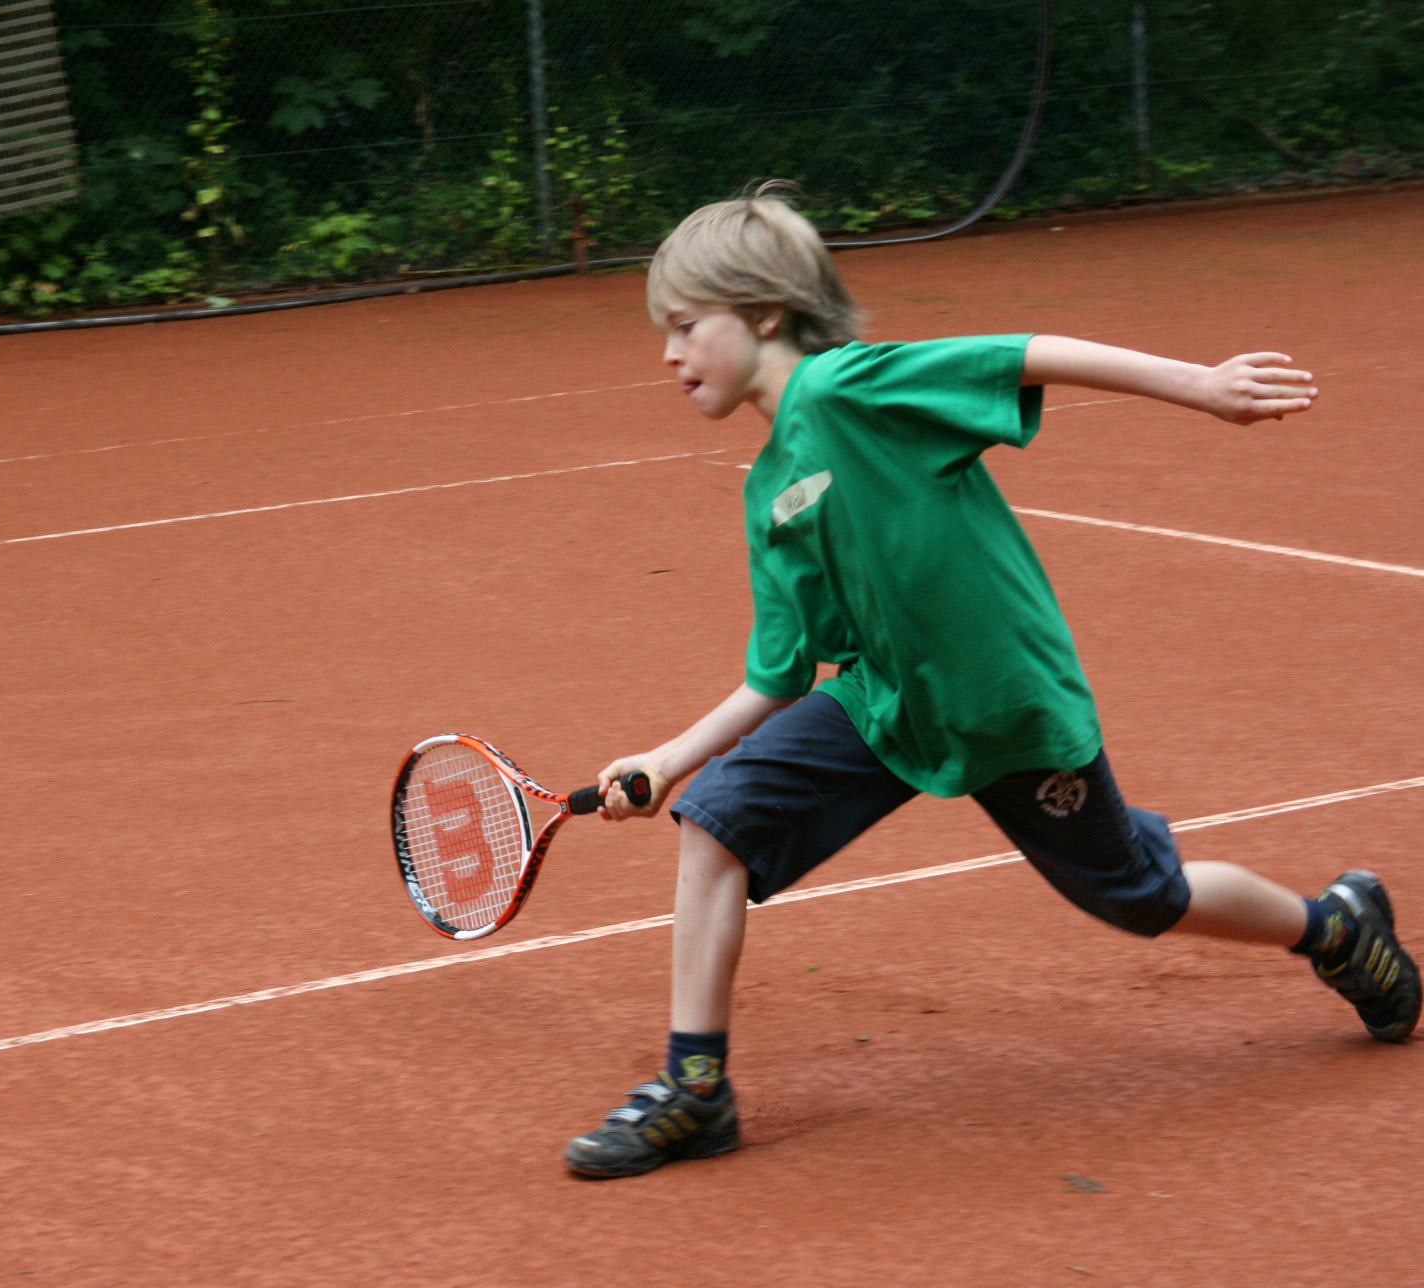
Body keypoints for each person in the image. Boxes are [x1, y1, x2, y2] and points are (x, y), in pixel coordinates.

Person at [564, 183, 1420, 1180]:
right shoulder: (769, 492)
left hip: (1005, 706)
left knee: (1141, 894)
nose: (668, 353)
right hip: (887, 702)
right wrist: (665, 762)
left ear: (762, 312)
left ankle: (1335, 927)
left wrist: (1201, 385)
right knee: (716, 821)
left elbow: (1025, 353)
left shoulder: (851, 388)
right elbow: (781, 674)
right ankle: (696, 1090)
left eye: (683, 325)